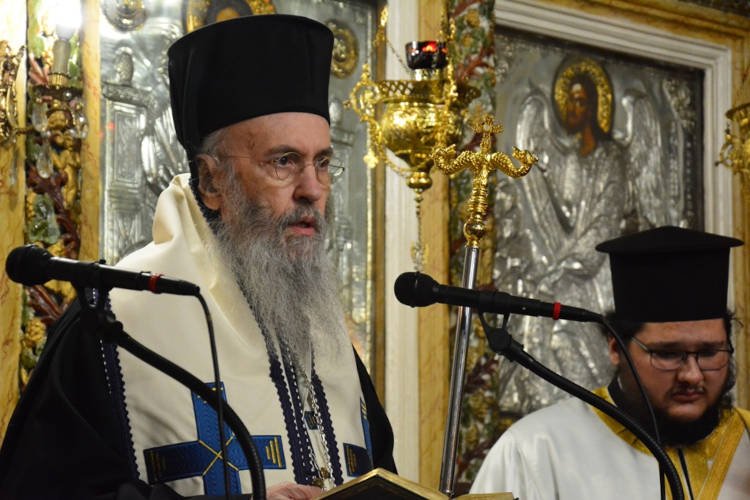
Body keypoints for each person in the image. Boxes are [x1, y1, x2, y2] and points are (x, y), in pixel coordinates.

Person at [0, 14, 395, 499]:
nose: (312, 189)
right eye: (284, 162)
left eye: (323, 162)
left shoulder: (326, 336)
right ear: (211, 182)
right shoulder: (116, 320)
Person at [471, 225, 750, 499]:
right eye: (667, 354)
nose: (692, 375)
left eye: (709, 353)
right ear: (616, 348)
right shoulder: (535, 451)